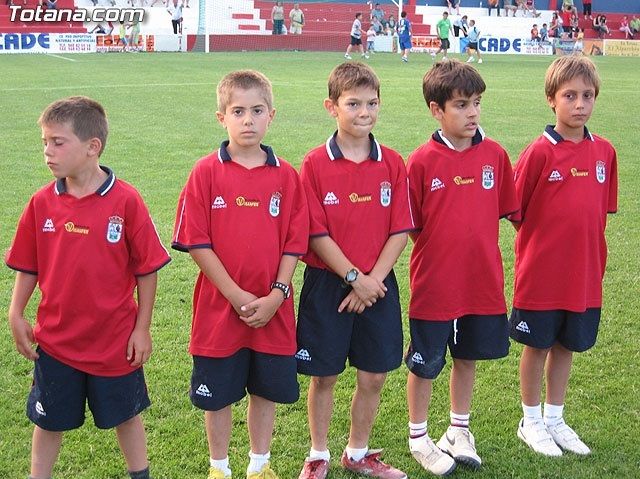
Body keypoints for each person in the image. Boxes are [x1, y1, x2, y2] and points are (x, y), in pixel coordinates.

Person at [6, 96, 170, 479]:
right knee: (48, 421)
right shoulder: (41, 203)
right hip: (57, 341)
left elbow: (148, 270)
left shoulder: (126, 201)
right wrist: (15, 311)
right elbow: (28, 264)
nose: (48, 151)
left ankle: (139, 474)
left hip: (114, 341)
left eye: (58, 142)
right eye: (45, 142)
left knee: (126, 416)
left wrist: (142, 328)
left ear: (92, 147)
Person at [172, 70, 309, 479]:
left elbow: (295, 242)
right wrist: (234, 294)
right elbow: (197, 242)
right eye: (238, 111)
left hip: (272, 309)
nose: (248, 119)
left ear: (272, 115)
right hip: (219, 310)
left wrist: (278, 294)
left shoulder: (286, 176)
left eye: (257, 110)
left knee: (264, 389)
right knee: (219, 397)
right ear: (222, 118)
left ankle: (259, 465)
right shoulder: (205, 172)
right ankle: (219, 467)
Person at [296, 61, 413, 479]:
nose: (365, 112)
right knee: (324, 376)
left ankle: (358, 452)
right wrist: (353, 278)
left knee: (375, 374)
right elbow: (314, 232)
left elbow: (401, 228)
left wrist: (372, 281)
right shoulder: (313, 163)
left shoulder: (393, 163)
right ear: (332, 107)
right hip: (329, 285)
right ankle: (319, 454)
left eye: (372, 103)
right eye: (354, 103)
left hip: (378, 286)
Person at [405, 59, 518, 477]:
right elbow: (413, 227)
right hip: (435, 283)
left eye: (477, 103)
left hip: (481, 282)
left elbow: (508, 211)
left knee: (466, 356)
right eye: (461, 105)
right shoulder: (420, 162)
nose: (472, 113)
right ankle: (418, 436)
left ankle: (458, 429)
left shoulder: (495, 155)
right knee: (426, 362)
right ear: (436, 110)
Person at [509, 55, 617, 458]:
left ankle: (555, 418)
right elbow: (517, 213)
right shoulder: (538, 153)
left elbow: (597, 213)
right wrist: (545, 245)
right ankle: (530, 420)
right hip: (541, 274)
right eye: (569, 96)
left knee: (566, 345)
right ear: (551, 100)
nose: (580, 104)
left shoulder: (604, 152)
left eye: (587, 96)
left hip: (585, 274)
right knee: (536, 346)